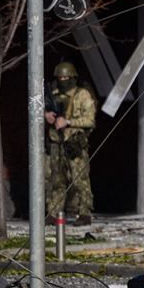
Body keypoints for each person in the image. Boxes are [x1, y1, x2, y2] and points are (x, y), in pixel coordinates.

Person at [45, 61, 97, 225]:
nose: (62, 81)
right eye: (60, 78)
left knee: (79, 179)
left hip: (74, 143)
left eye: (66, 78)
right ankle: (53, 212)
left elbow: (90, 120)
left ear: (73, 78)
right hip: (57, 143)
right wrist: (47, 115)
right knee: (56, 180)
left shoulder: (82, 95)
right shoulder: (53, 94)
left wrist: (68, 122)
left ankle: (85, 212)